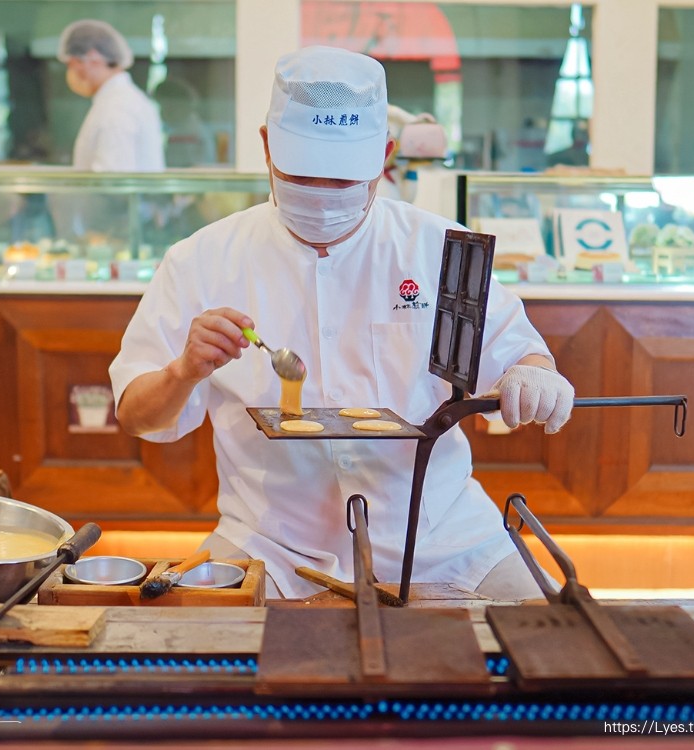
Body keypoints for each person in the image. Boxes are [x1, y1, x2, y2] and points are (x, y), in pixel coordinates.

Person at [109, 46, 574, 600]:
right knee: (206, 644)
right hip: (269, 545)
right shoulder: (201, 261)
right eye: (303, 175)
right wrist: (182, 371)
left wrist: (534, 374)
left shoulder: (440, 250)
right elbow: (136, 414)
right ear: (266, 147)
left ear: (385, 156)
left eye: (344, 179)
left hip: (443, 538)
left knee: (557, 630)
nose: (324, 197)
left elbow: (520, 352)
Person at [57, 19, 165, 172]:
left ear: (92, 57)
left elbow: (113, 178)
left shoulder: (117, 107)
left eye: (72, 64)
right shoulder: (121, 100)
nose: (71, 72)